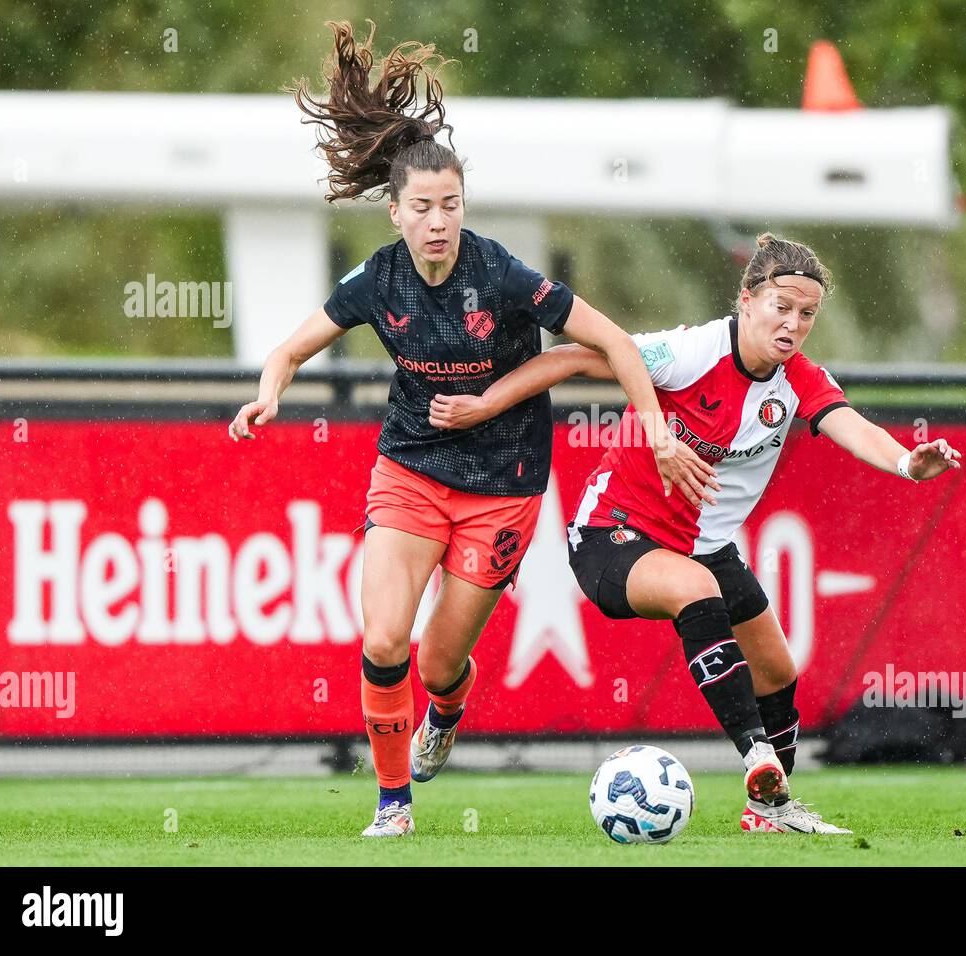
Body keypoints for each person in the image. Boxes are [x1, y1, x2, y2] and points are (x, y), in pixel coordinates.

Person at [227, 21, 713, 837]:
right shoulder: (374, 280)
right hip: (411, 470)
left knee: (439, 662)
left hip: (504, 486)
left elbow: (614, 343)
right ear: (395, 213)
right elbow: (289, 347)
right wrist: (269, 391)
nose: (439, 220)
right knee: (384, 638)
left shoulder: (504, 274)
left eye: (451, 205)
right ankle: (392, 805)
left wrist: (658, 430)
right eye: (423, 207)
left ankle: (445, 710)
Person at [431, 233, 963, 833]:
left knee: (778, 672)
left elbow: (851, 425)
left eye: (807, 314)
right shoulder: (688, 353)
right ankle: (755, 755)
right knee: (696, 589)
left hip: (704, 549)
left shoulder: (799, 380)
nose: (792, 324)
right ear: (746, 299)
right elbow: (573, 358)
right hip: (611, 537)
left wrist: (906, 463)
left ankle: (772, 812)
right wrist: (482, 406)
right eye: (781, 307)